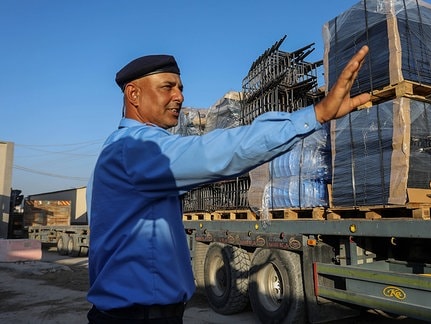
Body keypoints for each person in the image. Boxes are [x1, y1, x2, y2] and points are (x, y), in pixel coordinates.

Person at [86, 45, 370, 323]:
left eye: (181, 88)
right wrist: (315, 114)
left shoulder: (119, 150)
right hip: (138, 317)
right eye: (167, 87)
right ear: (133, 94)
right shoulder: (136, 150)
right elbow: (215, 153)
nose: (179, 97)